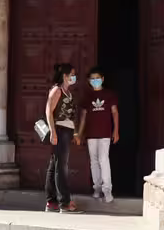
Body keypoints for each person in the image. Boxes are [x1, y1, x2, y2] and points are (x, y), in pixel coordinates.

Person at [80, 64, 120, 203]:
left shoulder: (109, 95)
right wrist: (79, 133)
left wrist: (116, 130)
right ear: (89, 81)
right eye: (92, 79)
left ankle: (107, 190)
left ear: (102, 79)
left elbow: (115, 113)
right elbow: (83, 116)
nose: (95, 81)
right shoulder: (87, 96)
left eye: (97, 78)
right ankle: (96, 188)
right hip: (91, 134)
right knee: (94, 162)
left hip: (105, 133)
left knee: (104, 160)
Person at [44, 61, 78, 212]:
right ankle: (64, 202)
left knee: (54, 165)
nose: (74, 77)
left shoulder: (68, 92)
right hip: (60, 130)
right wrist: (53, 132)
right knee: (61, 167)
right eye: (72, 75)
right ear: (65, 76)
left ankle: (51, 202)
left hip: (67, 130)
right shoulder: (57, 90)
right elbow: (48, 111)